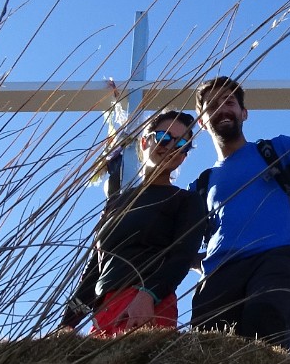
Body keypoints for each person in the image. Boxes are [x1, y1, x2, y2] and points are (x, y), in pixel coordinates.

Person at [189, 76, 290, 350]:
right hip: (219, 273)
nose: (223, 108)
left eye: (229, 102)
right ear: (202, 121)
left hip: (277, 259)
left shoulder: (274, 150)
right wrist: (201, 263)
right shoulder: (201, 184)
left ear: (244, 113)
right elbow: (178, 240)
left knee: (266, 327)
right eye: (213, 105)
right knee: (206, 352)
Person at [59, 111, 206, 336]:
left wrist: (148, 294)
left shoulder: (186, 201)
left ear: (184, 156)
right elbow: (95, 269)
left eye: (182, 142)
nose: (171, 146)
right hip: (104, 310)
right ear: (145, 141)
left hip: (146, 306)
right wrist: (67, 324)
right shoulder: (116, 203)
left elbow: (182, 255)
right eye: (164, 137)